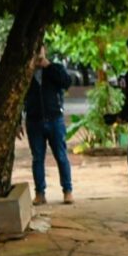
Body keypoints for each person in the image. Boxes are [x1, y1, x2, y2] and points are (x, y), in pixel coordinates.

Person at [23, 45, 73, 205]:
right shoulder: (25, 73)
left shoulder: (54, 68)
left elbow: (66, 82)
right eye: (34, 51)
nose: (37, 55)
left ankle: (68, 190)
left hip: (54, 119)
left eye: (40, 50)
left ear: (44, 51)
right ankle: (40, 193)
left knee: (61, 156)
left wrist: (48, 66)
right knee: (37, 158)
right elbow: (17, 98)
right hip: (34, 120)